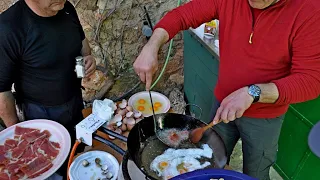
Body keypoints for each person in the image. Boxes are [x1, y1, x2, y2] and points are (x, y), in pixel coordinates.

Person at [133, 0, 320, 179]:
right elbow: (182, 15)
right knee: (208, 161)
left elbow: (311, 80)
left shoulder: (310, 10)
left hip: (265, 117)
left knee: (256, 173)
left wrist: (252, 93)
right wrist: (152, 45)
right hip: (223, 103)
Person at [0, 0, 95, 178]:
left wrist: (88, 57)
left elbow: (82, 43)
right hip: (41, 114)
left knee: (78, 150)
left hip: (75, 99)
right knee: (52, 166)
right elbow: (1, 91)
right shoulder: (8, 27)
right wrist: (19, 137)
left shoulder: (65, 7)